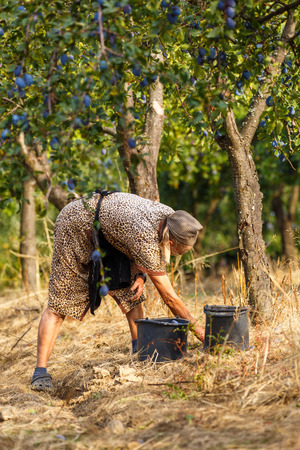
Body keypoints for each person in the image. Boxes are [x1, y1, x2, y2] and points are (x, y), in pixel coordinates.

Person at [30, 190, 205, 390]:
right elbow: (170, 298)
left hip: (108, 232)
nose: (180, 256)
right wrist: (202, 333)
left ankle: (139, 354)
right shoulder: (146, 236)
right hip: (75, 225)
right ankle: (40, 373)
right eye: (180, 252)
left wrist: (140, 275)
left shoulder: (171, 218)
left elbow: (133, 243)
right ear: (171, 242)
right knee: (59, 303)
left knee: (133, 293)